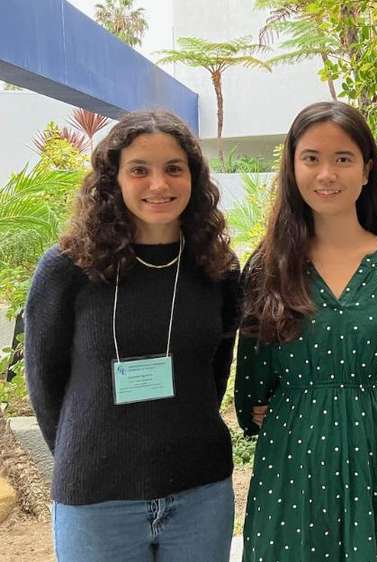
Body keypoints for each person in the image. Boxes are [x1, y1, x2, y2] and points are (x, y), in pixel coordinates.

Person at [25, 111, 240, 562]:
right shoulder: (68, 268)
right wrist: (81, 454)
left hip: (201, 490)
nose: (158, 184)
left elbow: (214, 372)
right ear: (113, 178)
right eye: (139, 169)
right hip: (97, 497)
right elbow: (44, 381)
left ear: (194, 178)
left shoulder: (217, 269)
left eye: (173, 169)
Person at [235, 101, 377, 561]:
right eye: (311, 158)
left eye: (343, 159)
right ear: (292, 167)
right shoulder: (267, 266)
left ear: (366, 171)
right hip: (292, 450)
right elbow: (253, 373)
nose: (326, 174)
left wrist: (347, 398)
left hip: (371, 445)